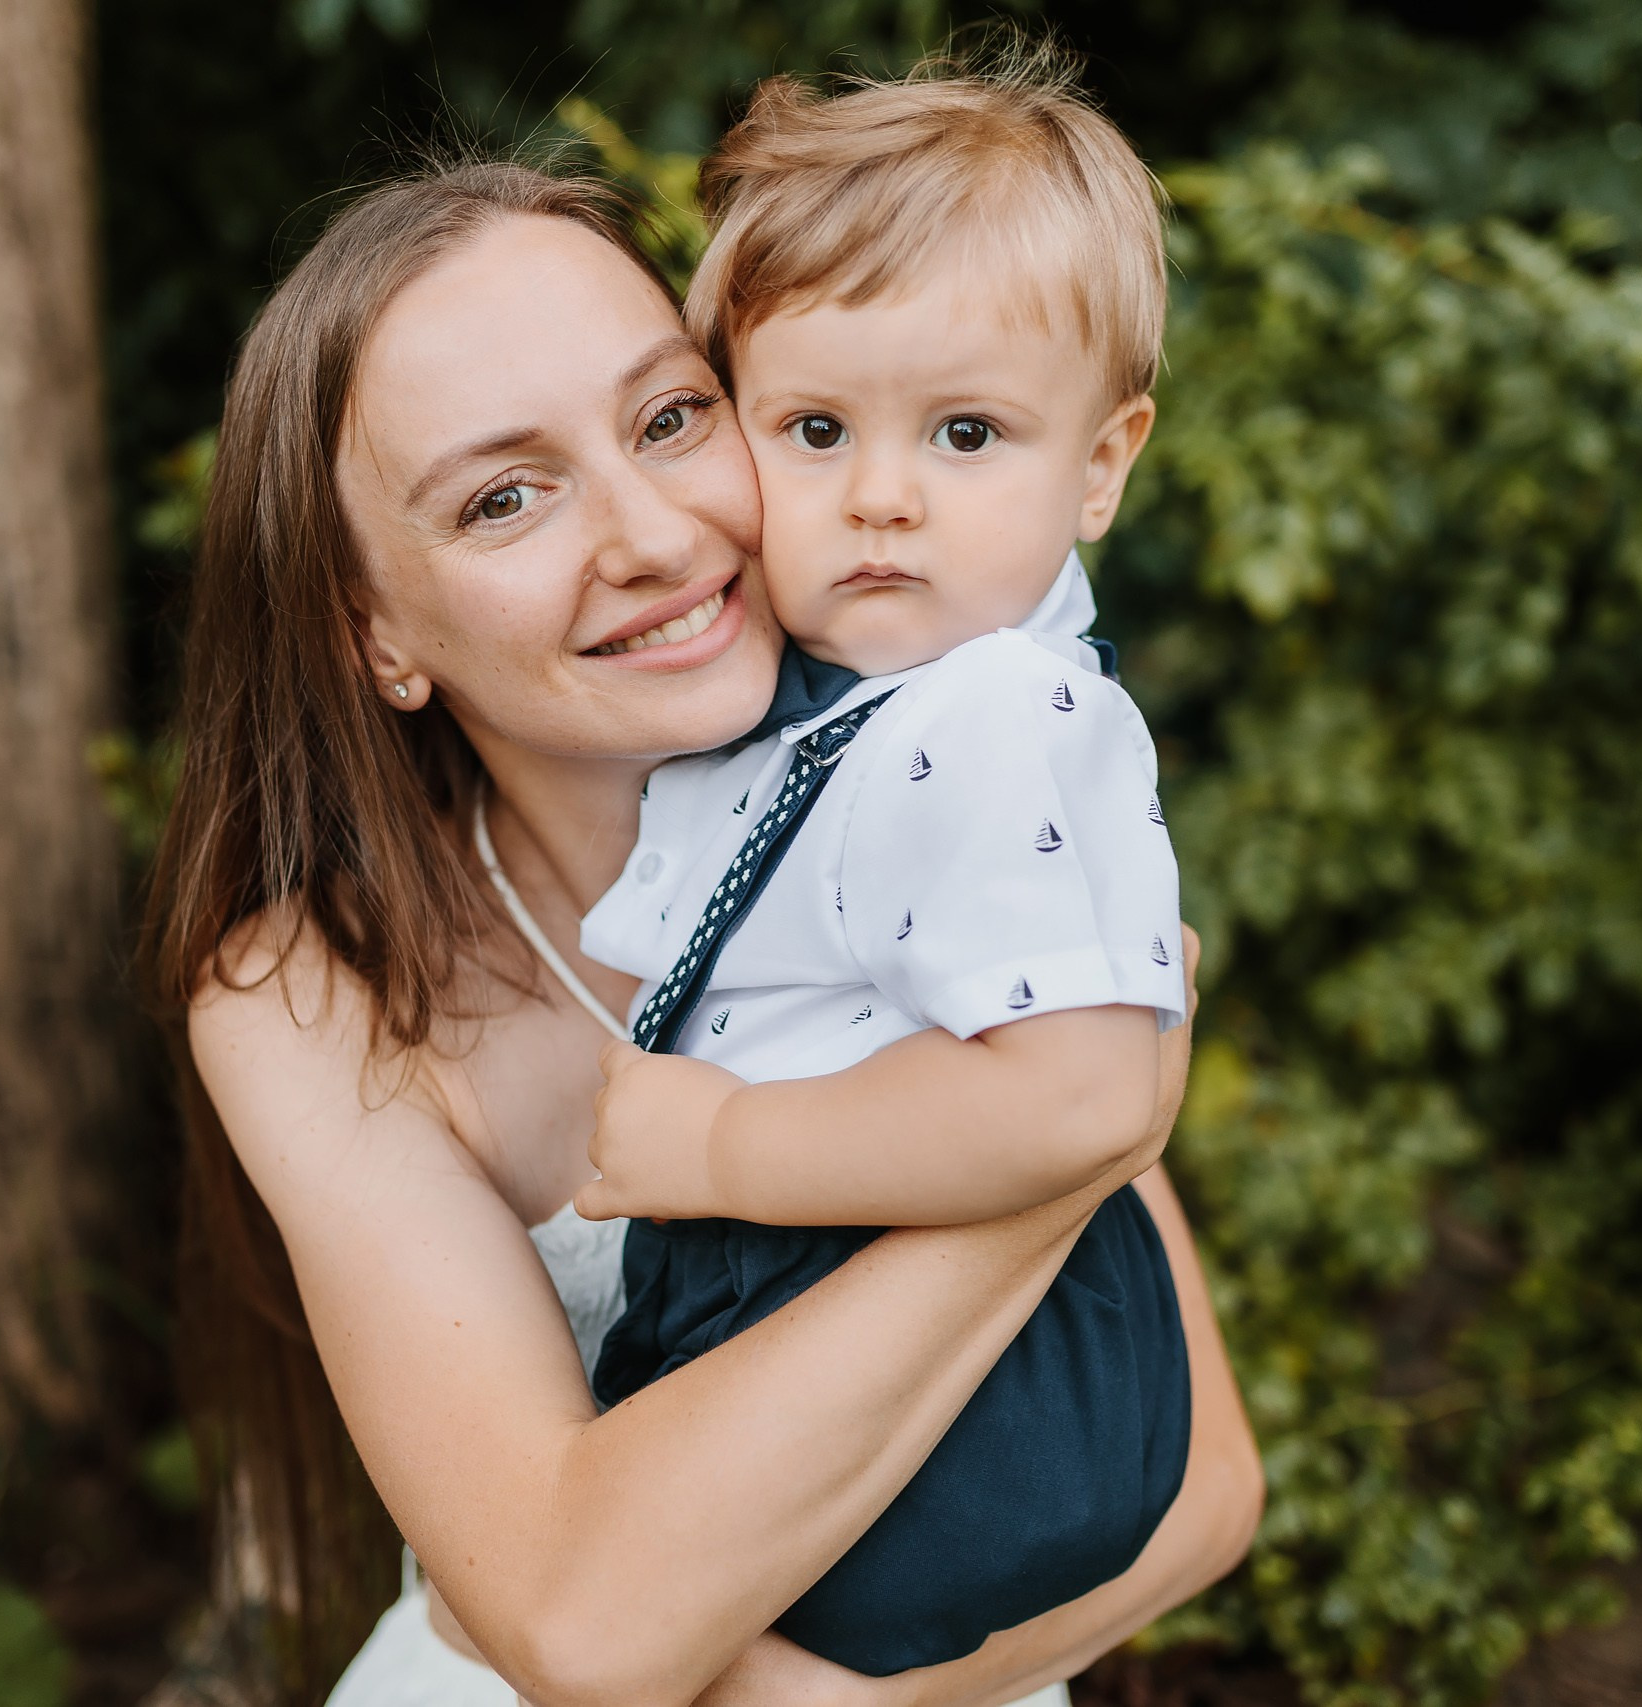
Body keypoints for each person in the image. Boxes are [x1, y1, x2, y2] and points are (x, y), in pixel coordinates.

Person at [144, 154, 1262, 1707]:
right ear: (373, 630)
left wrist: (836, 1706)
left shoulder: (947, 780)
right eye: (505, 497)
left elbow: (1207, 1486)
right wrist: (1059, 1155)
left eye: (671, 418)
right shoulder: (307, 990)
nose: (654, 535)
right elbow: (581, 1624)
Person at [573, 59, 1194, 1676]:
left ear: (1102, 465)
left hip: (955, 1372)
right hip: (833, 1304)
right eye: (815, 429)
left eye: (967, 432)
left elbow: (1078, 1101)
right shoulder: (861, 707)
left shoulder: (997, 713)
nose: (882, 497)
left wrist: (722, 1142)